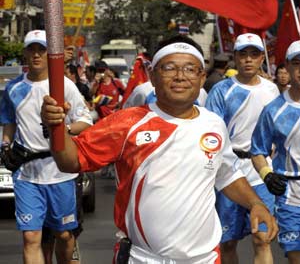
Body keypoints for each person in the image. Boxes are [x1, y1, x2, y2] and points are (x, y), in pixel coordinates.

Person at [41, 35, 278, 264]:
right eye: (169, 68)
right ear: (153, 76)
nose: (180, 76)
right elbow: (70, 161)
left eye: (189, 69)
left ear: (201, 76)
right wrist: (56, 127)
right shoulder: (128, 122)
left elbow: (227, 174)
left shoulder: (213, 123)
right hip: (144, 257)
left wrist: (255, 204)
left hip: (205, 258)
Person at [0, 29, 93, 264]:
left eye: (41, 50)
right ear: (25, 54)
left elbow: (86, 121)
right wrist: (5, 145)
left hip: (59, 171)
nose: (36, 55)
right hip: (27, 172)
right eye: (31, 49)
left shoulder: (63, 86)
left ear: (49, 54)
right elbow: (9, 122)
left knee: (63, 234)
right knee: (31, 236)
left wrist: (63, 131)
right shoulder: (13, 88)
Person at [205, 32, 279, 264]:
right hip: (229, 171)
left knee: (262, 237)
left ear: (261, 59)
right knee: (228, 242)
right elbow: (211, 132)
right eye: (243, 54)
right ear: (235, 58)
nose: (248, 59)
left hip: (262, 171)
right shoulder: (221, 90)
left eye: (254, 55)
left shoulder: (272, 90)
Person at [251, 40, 300, 264]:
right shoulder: (274, 110)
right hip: (291, 195)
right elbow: (258, 150)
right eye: (297, 63)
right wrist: (266, 175)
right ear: (287, 67)